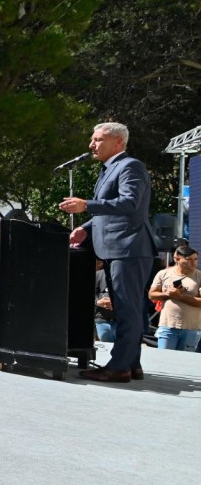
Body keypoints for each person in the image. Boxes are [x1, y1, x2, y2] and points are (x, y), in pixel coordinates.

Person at [61, 122, 157, 382]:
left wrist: (86, 206)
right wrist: (85, 227)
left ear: (118, 142)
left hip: (129, 247)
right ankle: (132, 364)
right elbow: (111, 210)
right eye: (92, 139)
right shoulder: (109, 169)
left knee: (127, 310)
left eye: (98, 139)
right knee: (129, 309)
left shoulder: (130, 166)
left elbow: (129, 203)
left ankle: (119, 367)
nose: (92, 144)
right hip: (119, 247)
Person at [147, 245, 201, 351]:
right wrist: (168, 294)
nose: (194, 263)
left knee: (185, 363)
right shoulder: (163, 274)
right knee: (165, 360)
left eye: (195, 259)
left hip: (191, 328)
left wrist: (180, 296)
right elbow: (151, 295)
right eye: (189, 259)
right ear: (177, 259)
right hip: (167, 326)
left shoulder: (199, 276)